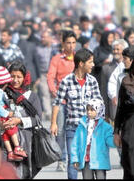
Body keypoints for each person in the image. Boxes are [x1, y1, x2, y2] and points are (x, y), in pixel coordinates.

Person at [50, 48, 103, 179]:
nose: (93, 65)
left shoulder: (92, 81)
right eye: (90, 62)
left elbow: (99, 102)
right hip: (72, 128)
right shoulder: (66, 81)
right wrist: (53, 123)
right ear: (81, 64)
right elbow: (57, 103)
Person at [2, 60, 43, 178]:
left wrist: (19, 121)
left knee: (24, 173)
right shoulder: (3, 94)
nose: (15, 80)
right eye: (12, 76)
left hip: (26, 141)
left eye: (19, 77)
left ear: (24, 78)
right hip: (6, 142)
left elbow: (37, 119)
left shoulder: (31, 96)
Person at [47, 30, 77, 172]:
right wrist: (55, 92)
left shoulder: (79, 58)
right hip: (61, 101)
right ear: (63, 44)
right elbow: (50, 76)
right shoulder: (57, 59)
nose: (71, 46)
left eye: (73, 43)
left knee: (75, 131)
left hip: (76, 102)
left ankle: (75, 158)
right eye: (68, 43)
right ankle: (61, 159)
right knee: (59, 130)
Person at [0, 66, 27, 162]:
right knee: (11, 129)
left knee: (5, 136)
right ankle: (17, 147)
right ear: (4, 83)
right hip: (2, 116)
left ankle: (10, 152)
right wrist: (6, 114)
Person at [70, 98, 116, 179]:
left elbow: (110, 141)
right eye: (87, 109)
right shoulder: (82, 125)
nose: (89, 112)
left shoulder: (105, 127)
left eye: (92, 110)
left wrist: (117, 140)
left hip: (100, 161)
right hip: (86, 160)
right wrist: (75, 159)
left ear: (99, 110)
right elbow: (75, 144)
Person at [107, 46, 134, 123]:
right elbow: (113, 83)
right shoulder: (121, 74)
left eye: (125, 59)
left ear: (133, 60)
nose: (123, 61)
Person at [99, 39, 128, 122]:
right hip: (113, 110)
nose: (115, 51)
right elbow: (104, 92)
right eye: (114, 49)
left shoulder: (130, 66)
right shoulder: (106, 68)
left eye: (118, 49)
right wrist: (105, 113)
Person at [34, 29, 53, 120]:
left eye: (44, 37)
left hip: (53, 74)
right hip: (43, 74)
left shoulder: (55, 49)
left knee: (54, 93)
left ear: (50, 38)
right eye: (41, 37)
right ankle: (48, 113)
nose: (42, 39)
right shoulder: (38, 49)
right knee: (44, 93)